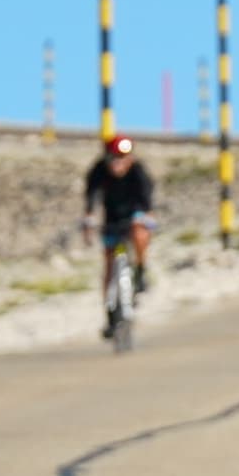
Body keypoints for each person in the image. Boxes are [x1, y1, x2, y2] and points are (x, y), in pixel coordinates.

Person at [81, 134, 157, 331]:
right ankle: (110, 313)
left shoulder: (138, 171)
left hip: (134, 217)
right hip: (111, 220)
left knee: (139, 232)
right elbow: (91, 196)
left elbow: (147, 197)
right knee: (109, 264)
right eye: (113, 159)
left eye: (122, 159)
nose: (118, 163)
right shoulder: (98, 171)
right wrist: (89, 220)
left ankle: (140, 271)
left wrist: (147, 216)